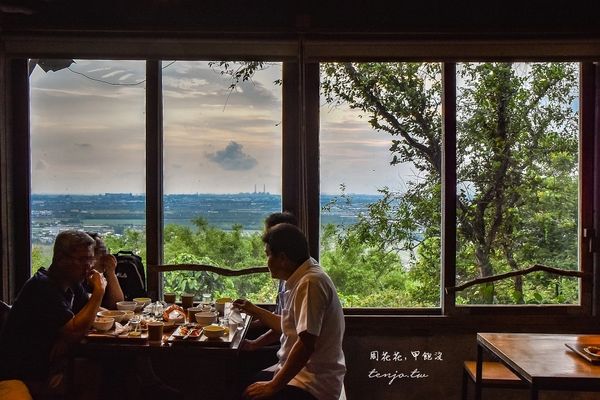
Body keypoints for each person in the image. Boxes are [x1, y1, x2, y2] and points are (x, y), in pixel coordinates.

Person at [235, 223, 346, 400]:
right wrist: (254, 314)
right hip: (302, 373)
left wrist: (272, 386)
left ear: (283, 258)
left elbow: (306, 343)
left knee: (243, 386)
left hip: (311, 383)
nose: (267, 262)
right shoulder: (304, 276)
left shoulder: (310, 283)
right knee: (239, 371)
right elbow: (290, 325)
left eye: (268, 255)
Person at [0, 230, 107, 396]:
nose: (89, 266)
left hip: (51, 367)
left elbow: (88, 315)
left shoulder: (72, 283)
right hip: (23, 376)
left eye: (90, 259)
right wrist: (99, 292)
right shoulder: (41, 287)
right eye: (82, 259)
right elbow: (74, 331)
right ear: (60, 259)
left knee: (104, 369)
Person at [242, 211, 298, 352]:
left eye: (269, 239)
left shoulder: (307, 282)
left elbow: (286, 327)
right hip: (285, 345)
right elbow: (283, 321)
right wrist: (247, 324)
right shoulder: (288, 273)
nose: (266, 244)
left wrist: (256, 311)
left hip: (288, 350)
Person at [85, 232, 124, 310]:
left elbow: (118, 304)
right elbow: (88, 308)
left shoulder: (102, 276)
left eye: (106, 251)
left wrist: (111, 272)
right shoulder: (78, 278)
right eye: (100, 252)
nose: (106, 257)